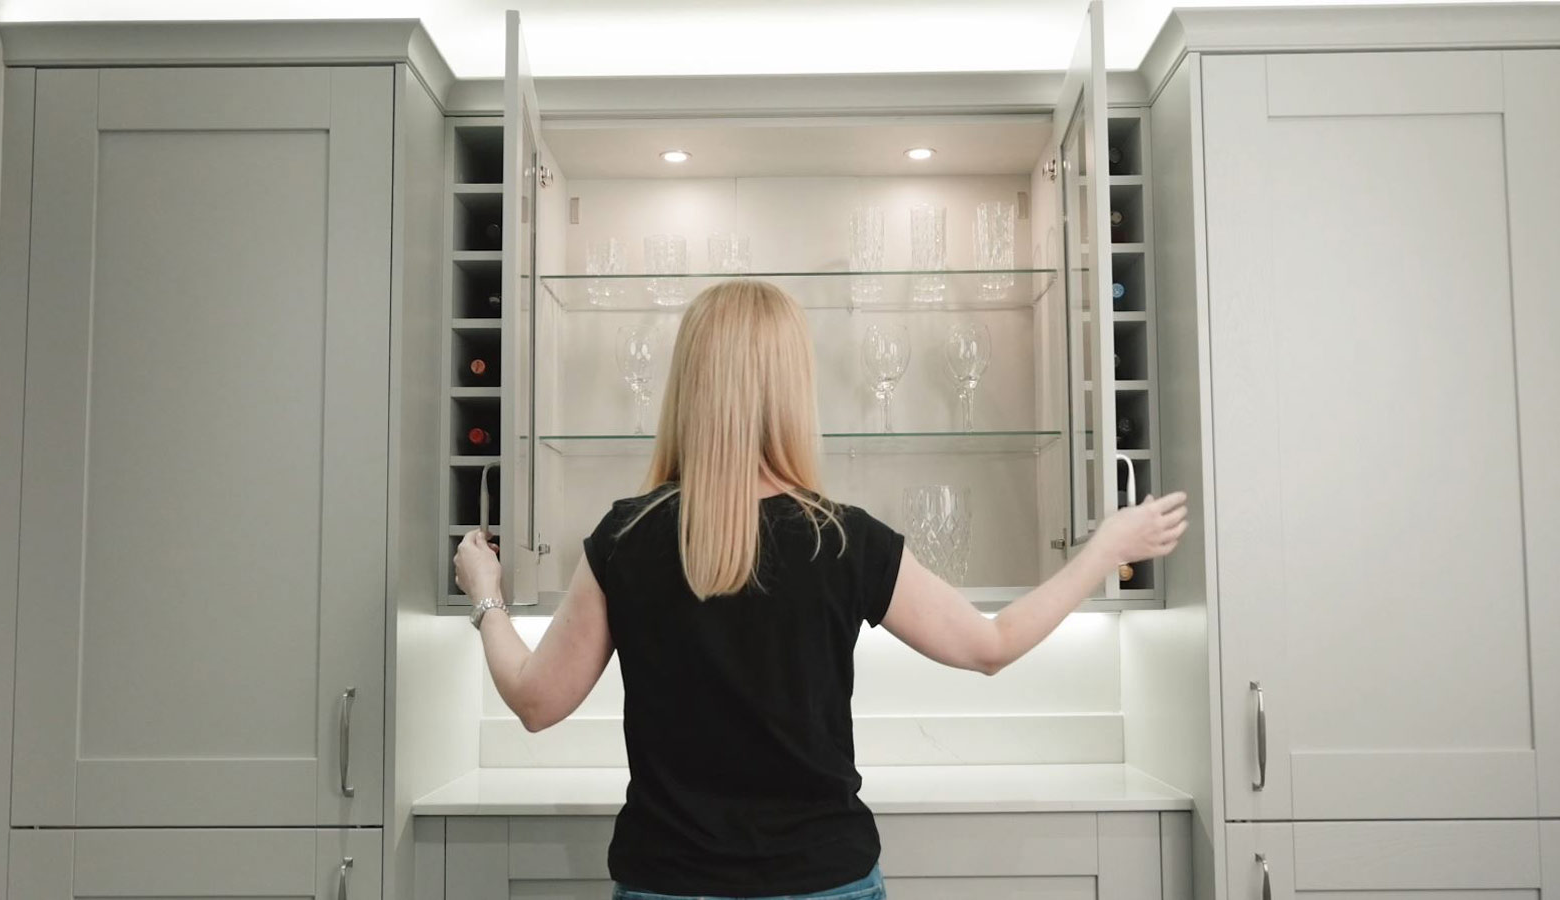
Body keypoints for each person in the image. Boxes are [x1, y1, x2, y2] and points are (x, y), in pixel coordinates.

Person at [454, 279, 1187, 900]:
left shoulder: (626, 537)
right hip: (823, 878)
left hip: (668, 878)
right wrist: (1103, 551)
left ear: (688, 388)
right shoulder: (843, 540)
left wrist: (486, 595)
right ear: (791, 391)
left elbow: (536, 701)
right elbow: (990, 646)